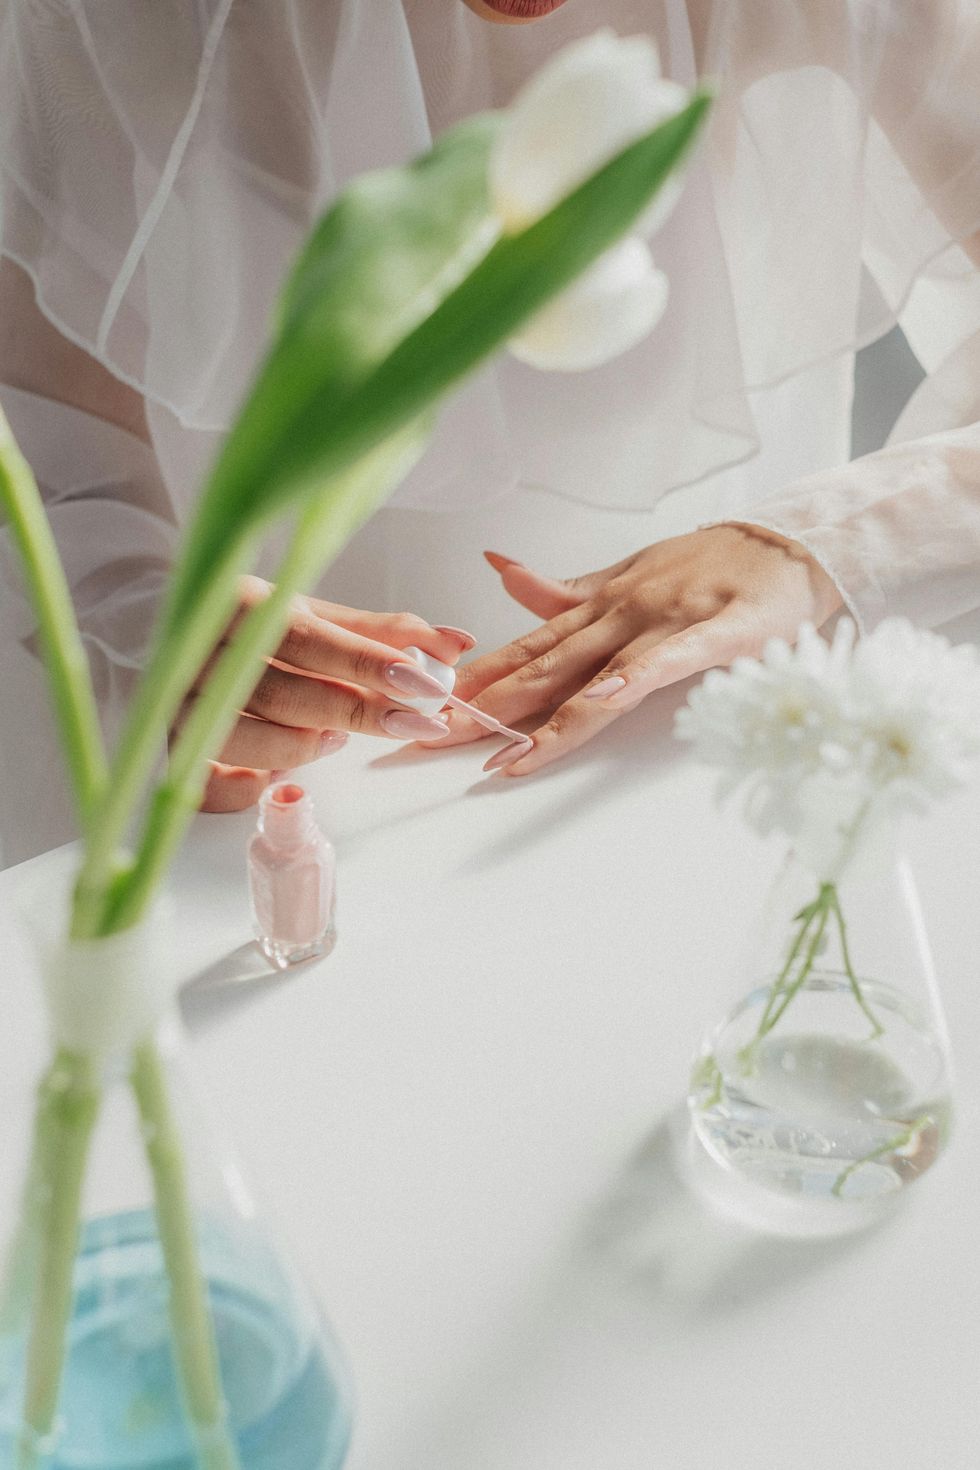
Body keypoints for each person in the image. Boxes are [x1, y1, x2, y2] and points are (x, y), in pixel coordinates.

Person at [0, 0, 978, 835]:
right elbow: (45, 442)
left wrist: (819, 546)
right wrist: (130, 617)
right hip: (260, 806)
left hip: (700, 745)